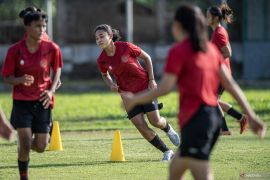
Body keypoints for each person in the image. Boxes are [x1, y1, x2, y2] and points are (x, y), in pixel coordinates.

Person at [121, 4, 266, 180]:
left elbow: (166, 87)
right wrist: (251, 116)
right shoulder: (210, 49)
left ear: (178, 26)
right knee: (175, 169)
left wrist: (134, 100)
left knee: (202, 174)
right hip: (210, 119)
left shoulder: (179, 51)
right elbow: (231, 84)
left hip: (198, 121)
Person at [95, 24, 180, 161]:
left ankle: (168, 129)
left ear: (110, 36)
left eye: (101, 36)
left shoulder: (126, 47)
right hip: (127, 95)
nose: (98, 40)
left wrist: (151, 79)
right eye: (96, 38)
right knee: (141, 126)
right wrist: (111, 84)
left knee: (155, 121)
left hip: (145, 88)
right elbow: (105, 75)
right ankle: (167, 151)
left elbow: (147, 58)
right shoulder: (101, 59)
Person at [2, 8, 63, 180]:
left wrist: (51, 90)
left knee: (41, 146)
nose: (42, 30)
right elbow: (6, 77)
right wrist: (20, 79)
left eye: (44, 26)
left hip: (42, 101)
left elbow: (57, 68)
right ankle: (24, 176)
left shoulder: (52, 48)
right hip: (22, 101)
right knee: (26, 142)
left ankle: (25, 147)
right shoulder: (15, 50)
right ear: (27, 28)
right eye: (38, 26)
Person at [207, 2, 248, 135]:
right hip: (219, 72)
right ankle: (240, 117)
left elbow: (228, 52)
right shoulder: (218, 31)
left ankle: (223, 129)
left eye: (208, 16)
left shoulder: (219, 33)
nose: (206, 18)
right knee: (214, 100)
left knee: (212, 100)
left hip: (221, 73)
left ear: (215, 18)